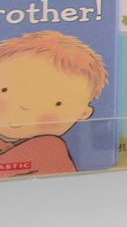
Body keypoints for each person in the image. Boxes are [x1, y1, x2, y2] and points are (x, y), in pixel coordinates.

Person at [0, 31, 105, 175]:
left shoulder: (46, 150)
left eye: (56, 103)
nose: (25, 106)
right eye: (4, 90)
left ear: (83, 113)